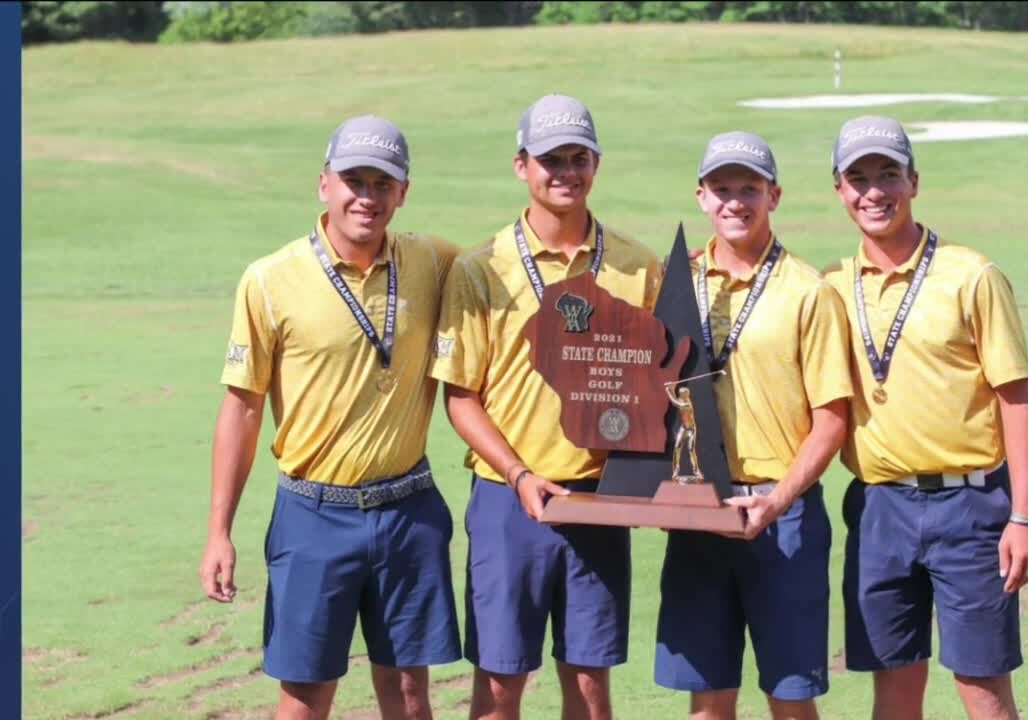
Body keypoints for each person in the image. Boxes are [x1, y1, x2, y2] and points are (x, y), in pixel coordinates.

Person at [199, 115, 462, 720]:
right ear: (324, 184)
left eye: (382, 183)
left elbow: (515, 279)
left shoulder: (433, 261)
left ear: (403, 192)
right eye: (353, 180)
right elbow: (242, 408)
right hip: (313, 515)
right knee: (303, 699)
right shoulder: (269, 279)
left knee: (410, 694)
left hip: (408, 511)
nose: (366, 197)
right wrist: (219, 532)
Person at [428, 94, 662, 720]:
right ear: (521, 166)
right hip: (511, 501)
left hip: (600, 497)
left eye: (578, 157)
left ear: (596, 163)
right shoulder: (481, 269)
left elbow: (665, 387)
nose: (565, 171)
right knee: (502, 682)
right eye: (550, 158)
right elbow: (462, 396)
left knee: (589, 682)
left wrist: (649, 482)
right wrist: (519, 474)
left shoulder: (638, 267)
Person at [823, 115, 1028, 720]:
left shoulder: (971, 274)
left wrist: (1025, 516)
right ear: (840, 190)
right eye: (859, 178)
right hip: (878, 512)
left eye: (889, 174)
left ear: (914, 181)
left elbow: (1017, 397)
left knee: (982, 687)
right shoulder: (831, 288)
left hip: (971, 510)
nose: (875, 191)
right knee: (893, 688)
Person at [653, 131, 854, 720]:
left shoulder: (807, 291)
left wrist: (778, 501)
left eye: (750, 189)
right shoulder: (675, 283)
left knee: (790, 697)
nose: (735, 202)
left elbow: (831, 420)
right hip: (697, 511)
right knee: (708, 698)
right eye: (722, 189)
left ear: (775, 195)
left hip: (782, 515)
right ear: (701, 197)